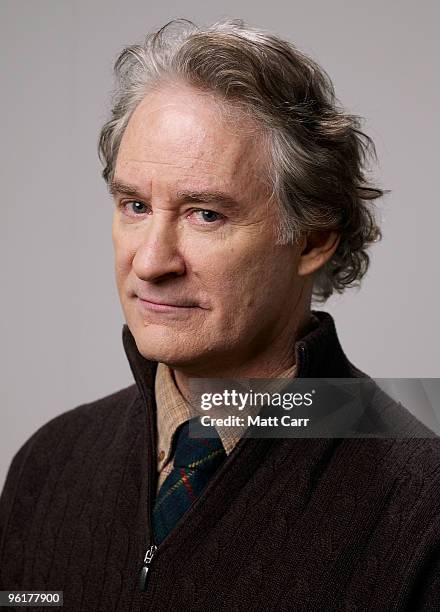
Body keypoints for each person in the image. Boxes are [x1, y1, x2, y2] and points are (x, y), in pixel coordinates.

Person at [1, 18, 439, 611]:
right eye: (134, 205)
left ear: (311, 240)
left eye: (205, 214)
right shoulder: (48, 466)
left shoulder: (422, 504)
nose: (151, 262)